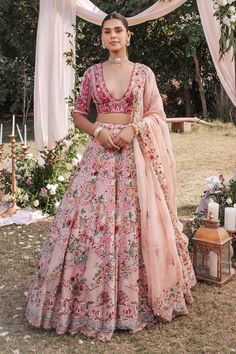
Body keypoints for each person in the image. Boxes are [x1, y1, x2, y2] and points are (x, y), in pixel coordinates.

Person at [26, 12, 196, 342]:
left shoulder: (144, 74)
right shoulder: (91, 73)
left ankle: (139, 298)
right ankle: (86, 299)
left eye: (119, 30)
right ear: (102, 38)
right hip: (100, 155)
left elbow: (156, 114)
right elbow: (78, 113)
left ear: (128, 36)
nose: (113, 36)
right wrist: (98, 132)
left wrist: (135, 128)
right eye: (107, 32)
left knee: (136, 223)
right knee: (92, 222)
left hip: (135, 158)